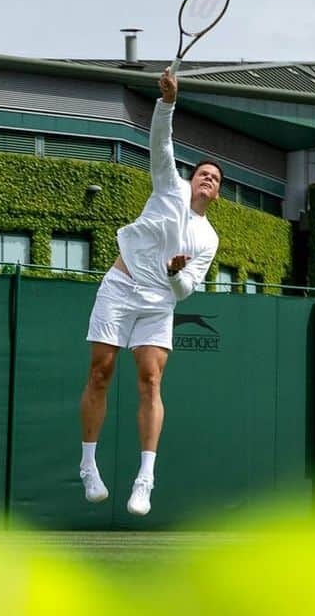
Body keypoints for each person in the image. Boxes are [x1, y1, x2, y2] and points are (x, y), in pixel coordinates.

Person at [78, 67, 222, 516]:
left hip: (159, 304)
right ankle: (88, 466)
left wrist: (177, 272)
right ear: (190, 178)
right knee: (101, 373)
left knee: (151, 381)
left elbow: (185, 292)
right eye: (203, 173)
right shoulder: (169, 185)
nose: (207, 179)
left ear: (217, 194)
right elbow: (162, 142)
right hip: (121, 286)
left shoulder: (209, 240)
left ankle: (145, 480)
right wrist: (168, 101)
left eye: (215, 179)